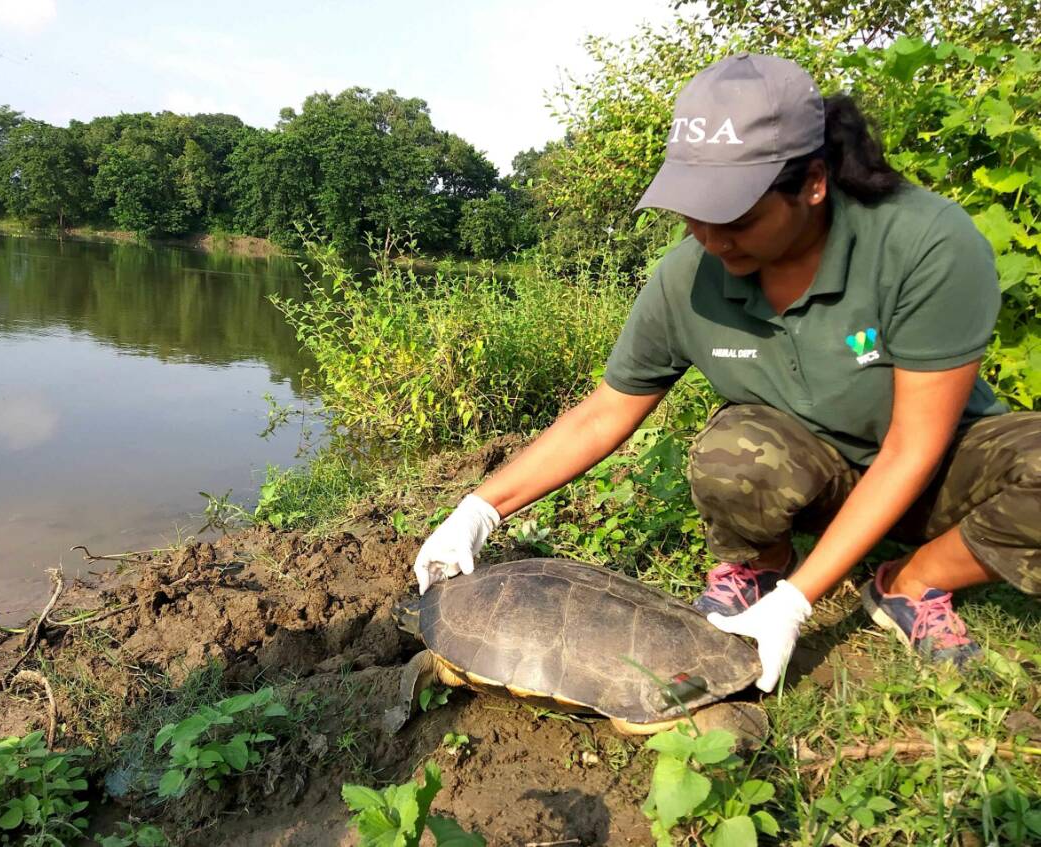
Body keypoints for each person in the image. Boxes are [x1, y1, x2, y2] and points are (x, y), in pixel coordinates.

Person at [412, 53, 1040, 693]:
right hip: (809, 477)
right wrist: (477, 512)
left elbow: (914, 446)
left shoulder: (925, 243)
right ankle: (761, 570)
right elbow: (606, 411)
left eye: (736, 217)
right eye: (693, 212)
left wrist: (801, 605)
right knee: (732, 454)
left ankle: (910, 582)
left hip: (935, 471)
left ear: (813, 183)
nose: (711, 238)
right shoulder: (686, 279)